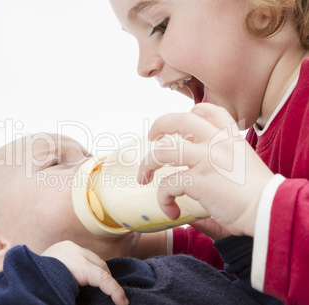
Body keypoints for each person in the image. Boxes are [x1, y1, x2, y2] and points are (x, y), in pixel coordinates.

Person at [109, 0, 309, 303]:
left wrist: (258, 204)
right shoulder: (254, 143)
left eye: (159, 27)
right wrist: (139, 240)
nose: (143, 67)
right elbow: (258, 268)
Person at [0, 133, 268, 304]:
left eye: (89, 157)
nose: (96, 166)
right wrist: (48, 271)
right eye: (56, 164)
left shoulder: (177, 272)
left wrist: (241, 243)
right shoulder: (22, 296)